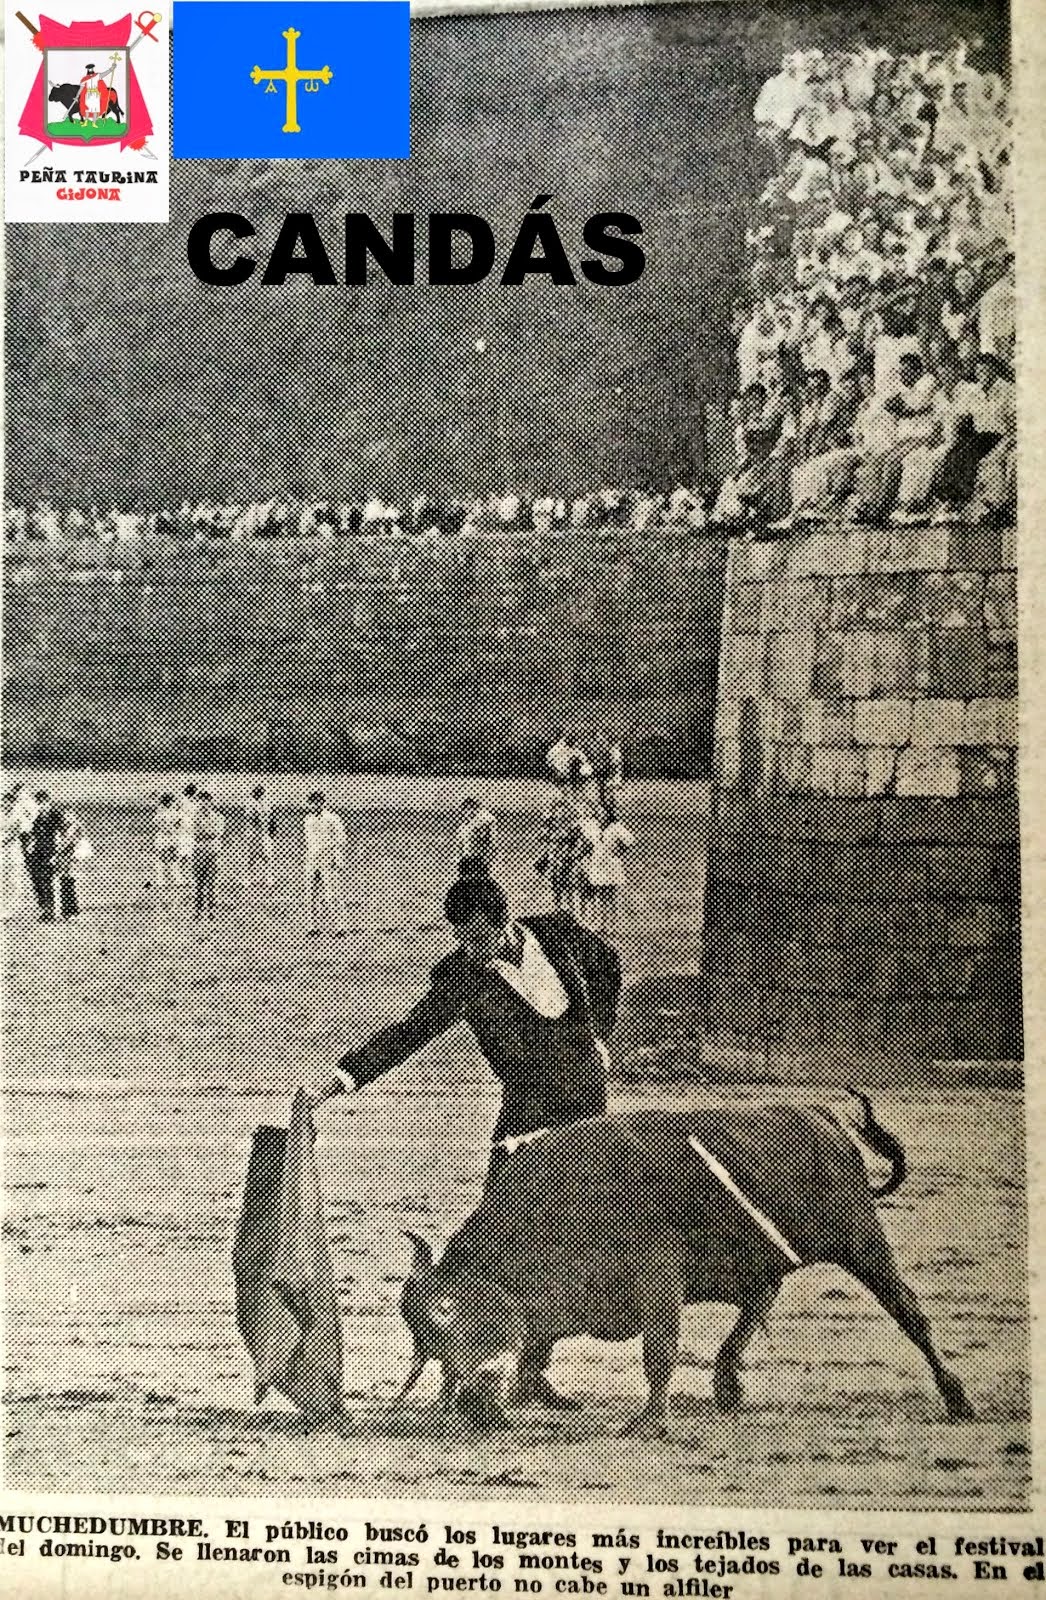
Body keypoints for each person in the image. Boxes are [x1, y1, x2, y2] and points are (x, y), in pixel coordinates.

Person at [309, 874, 622, 1179]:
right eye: (461, 938)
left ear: (506, 922)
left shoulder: (556, 931)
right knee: (501, 1196)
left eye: (479, 938)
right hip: (527, 1096)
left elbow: (607, 963)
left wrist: (598, 1035)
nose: (470, 949)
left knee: (583, 1187)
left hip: (585, 1082)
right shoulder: (459, 976)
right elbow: (409, 1033)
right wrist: (334, 1085)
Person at [580, 802, 634, 937]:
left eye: (602, 812)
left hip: (611, 864)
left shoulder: (616, 827)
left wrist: (620, 851)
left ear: (608, 814)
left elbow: (630, 841)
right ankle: (601, 924)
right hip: (597, 864)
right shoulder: (593, 827)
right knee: (599, 895)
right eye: (597, 812)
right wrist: (587, 857)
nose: (600, 815)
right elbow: (586, 842)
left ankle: (613, 925)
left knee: (610, 896)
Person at [304, 790, 348, 937]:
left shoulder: (332, 818)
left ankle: (340, 926)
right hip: (312, 859)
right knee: (311, 894)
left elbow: (341, 840)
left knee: (332, 894)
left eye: (317, 801)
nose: (314, 805)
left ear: (323, 802)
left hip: (328, 858)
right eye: (312, 802)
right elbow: (308, 841)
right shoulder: (308, 820)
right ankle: (312, 927)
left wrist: (337, 857)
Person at [24, 793, 62, 921]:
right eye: (39, 803)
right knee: (36, 880)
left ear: (49, 802)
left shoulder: (56, 815)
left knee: (47, 880)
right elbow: (32, 833)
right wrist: (30, 845)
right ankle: (43, 907)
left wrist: (57, 854)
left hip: (50, 852)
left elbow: (62, 835)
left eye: (43, 803)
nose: (41, 806)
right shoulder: (36, 817)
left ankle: (49, 910)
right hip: (36, 852)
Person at [2, 784, 38, 919]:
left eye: (10, 802)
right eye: (4, 802)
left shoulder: (18, 815)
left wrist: (11, 837)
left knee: (13, 879)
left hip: (13, 849)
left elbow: (25, 830)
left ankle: (10, 907)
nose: (7, 805)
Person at [192, 792, 224, 922]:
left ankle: (211, 912)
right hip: (199, 852)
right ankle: (198, 912)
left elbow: (217, 833)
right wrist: (206, 834)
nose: (203, 803)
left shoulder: (218, 817)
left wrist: (205, 834)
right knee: (199, 884)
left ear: (211, 802)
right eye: (201, 801)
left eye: (206, 801)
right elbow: (194, 833)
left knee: (211, 884)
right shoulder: (194, 817)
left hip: (212, 852)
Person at [51, 807, 89, 921]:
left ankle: (70, 911)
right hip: (64, 859)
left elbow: (75, 843)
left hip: (69, 859)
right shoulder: (59, 831)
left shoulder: (74, 831)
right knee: (64, 883)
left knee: (67, 883)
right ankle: (67, 911)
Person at [454, 798, 498, 876]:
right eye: (465, 810)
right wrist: (457, 860)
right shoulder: (462, 828)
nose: (468, 813)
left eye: (471, 809)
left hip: (480, 859)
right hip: (466, 860)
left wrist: (490, 859)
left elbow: (491, 822)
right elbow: (458, 846)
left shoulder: (480, 823)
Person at [245, 784, 276, 891]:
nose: (258, 795)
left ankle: (269, 878)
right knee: (251, 857)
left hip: (264, 834)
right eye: (256, 793)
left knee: (267, 857)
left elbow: (272, 820)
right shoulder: (250, 804)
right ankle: (249, 878)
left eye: (260, 793)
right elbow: (252, 819)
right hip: (253, 834)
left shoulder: (267, 804)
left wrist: (271, 833)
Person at [151, 793, 180, 905]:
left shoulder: (164, 814)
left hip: (167, 840)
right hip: (166, 840)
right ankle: (170, 895)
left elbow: (161, 825)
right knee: (168, 864)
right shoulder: (167, 814)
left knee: (166, 864)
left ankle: (164, 886)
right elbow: (166, 826)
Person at [175, 784, 199, 889]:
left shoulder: (188, 801)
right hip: (185, 832)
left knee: (187, 856)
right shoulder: (184, 801)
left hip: (189, 831)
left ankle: (185, 878)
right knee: (184, 856)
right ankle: (181, 878)